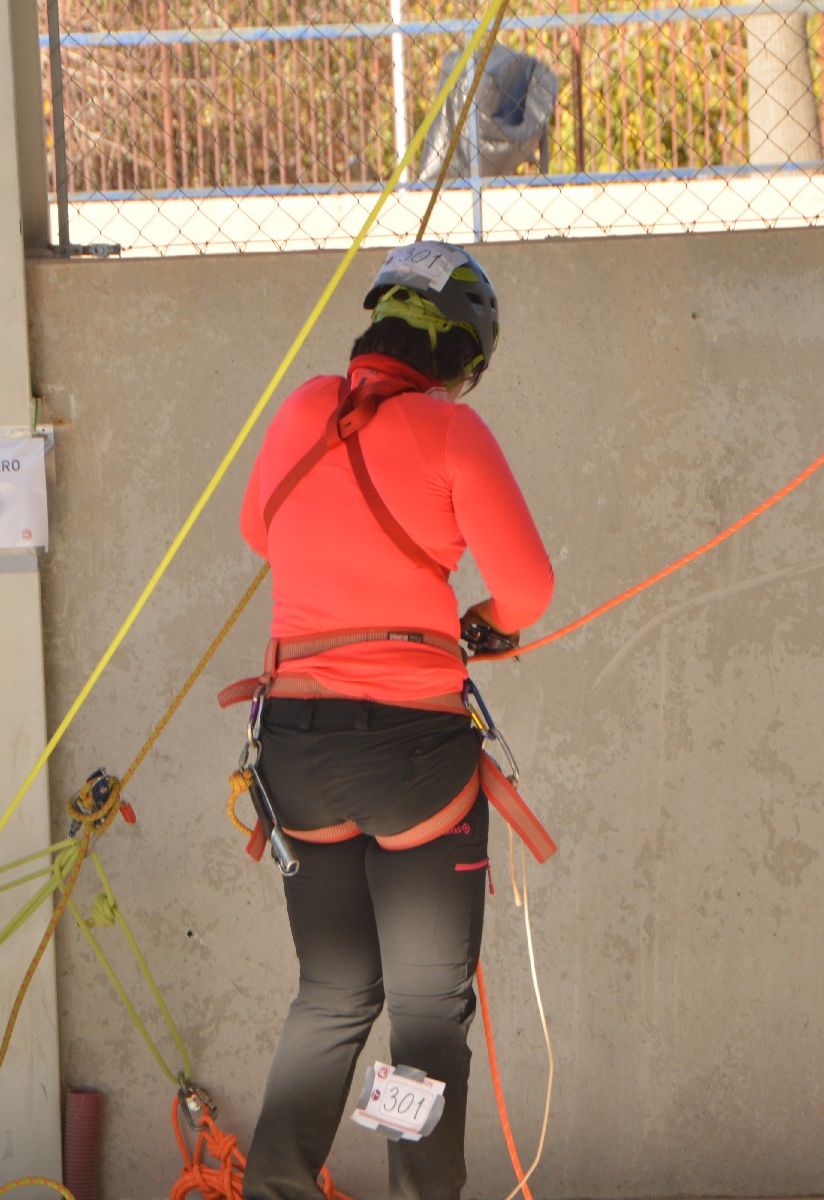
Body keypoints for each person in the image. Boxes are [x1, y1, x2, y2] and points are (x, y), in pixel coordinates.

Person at [229, 240, 553, 1200]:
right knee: (423, 1013)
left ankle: (273, 1190)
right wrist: (483, 622)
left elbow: (259, 530)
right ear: (457, 353)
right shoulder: (452, 432)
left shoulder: (303, 407)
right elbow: (527, 589)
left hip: (295, 748)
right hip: (411, 757)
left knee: (331, 994)